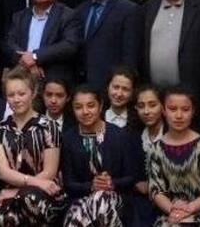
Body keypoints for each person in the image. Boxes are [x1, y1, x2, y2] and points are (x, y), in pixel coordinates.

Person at [0, 66, 66, 227]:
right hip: (9, 194)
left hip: (44, 192)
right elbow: (3, 172)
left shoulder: (49, 126)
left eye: (21, 94)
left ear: (33, 92)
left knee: (30, 199)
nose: (16, 99)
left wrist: (17, 192)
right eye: (11, 95)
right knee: (4, 218)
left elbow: (50, 172)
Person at [60, 85, 141, 227]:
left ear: (101, 105)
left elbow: (131, 177)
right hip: (81, 198)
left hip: (117, 199)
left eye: (90, 106)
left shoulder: (120, 135)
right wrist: (91, 186)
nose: (85, 112)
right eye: (78, 107)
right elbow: (69, 183)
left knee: (101, 199)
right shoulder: (69, 139)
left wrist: (111, 183)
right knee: (91, 204)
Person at [148, 86, 200, 227]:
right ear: (163, 110)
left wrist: (189, 208)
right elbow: (156, 191)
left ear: (193, 111)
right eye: (172, 109)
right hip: (169, 213)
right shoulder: (155, 150)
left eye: (185, 109)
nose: (179, 115)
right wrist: (173, 210)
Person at [5, 0, 82, 85]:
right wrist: (26, 62)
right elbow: (9, 44)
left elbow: (69, 46)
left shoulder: (68, 15)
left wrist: (35, 57)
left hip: (54, 82)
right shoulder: (19, 16)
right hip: (22, 79)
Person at [74, 0, 140, 89]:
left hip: (112, 86)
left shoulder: (128, 10)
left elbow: (130, 55)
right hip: (83, 86)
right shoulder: (80, 10)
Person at [130, 85, 164, 227]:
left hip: (172, 199)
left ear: (163, 106)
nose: (146, 111)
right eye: (141, 106)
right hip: (141, 200)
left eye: (152, 105)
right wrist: (136, 185)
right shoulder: (133, 137)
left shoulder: (173, 134)